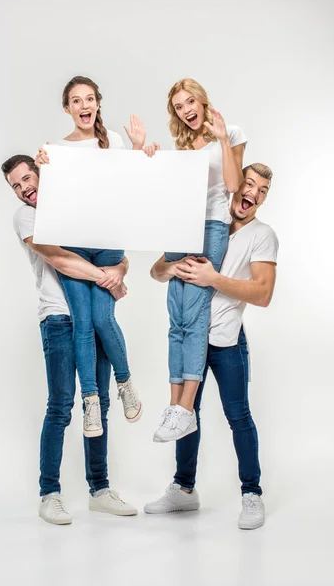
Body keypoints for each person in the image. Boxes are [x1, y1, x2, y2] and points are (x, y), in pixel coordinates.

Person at [2, 154, 138, 524]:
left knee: (100, 403)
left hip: (92, 315)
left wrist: (119, 269)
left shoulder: (73, 206)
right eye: (16, 185)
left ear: (41, 174)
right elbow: (60, 259)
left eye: (28, 178)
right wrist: (107, 277)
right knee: (61, 405)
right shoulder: (26, 217)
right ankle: (49, 493)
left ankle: (100, 489)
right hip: (59, 317)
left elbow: (112, 250)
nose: (24, 188)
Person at [145, 163, 278, 530]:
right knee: (185, 414)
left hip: (225, 339)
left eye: (262, 191)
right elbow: (157, 270)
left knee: (238, 416)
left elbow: (264, 293)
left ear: (263, 200)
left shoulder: (262, 235)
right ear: (235, 186)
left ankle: (252, 493)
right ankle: (184, 490)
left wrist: (214, 279)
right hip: (191, 337)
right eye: (248, 184)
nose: (253, 193)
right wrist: (175, 268)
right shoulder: (203, 224)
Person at [35, 76, 144, 438]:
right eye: (76, 101)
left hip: (108, 240)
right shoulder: (56, 149)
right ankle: (92, 402)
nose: (84, 106)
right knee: (83, 322)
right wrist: (43, 169)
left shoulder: (111, 139)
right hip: (75, 245)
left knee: (102, 318)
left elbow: (131, 187)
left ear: (97, 103)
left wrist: (138, 150)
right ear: (67, 108)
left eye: (90, 99)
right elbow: (52, 203)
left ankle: (125, 382)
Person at [145, 78, 246, 442]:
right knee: (177, 321)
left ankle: (186, 408)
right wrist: (149, 154)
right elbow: (166, 191)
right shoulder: (181, 145)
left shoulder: (230, 131)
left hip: (212, 227)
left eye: (190, 101)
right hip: (180, 227)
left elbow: (233, 187)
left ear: (202, 101)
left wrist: (221, 138)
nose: (186, 110)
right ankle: (175, 409)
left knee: (196, 315)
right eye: (178, 106)